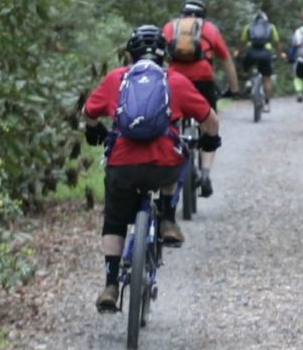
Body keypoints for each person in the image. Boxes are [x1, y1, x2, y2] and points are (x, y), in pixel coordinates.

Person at [81, 24, 219, 311]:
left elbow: (88, 112)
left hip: (122, 165)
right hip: (162, 165)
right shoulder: (175, 81)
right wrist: (210, 139)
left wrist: (93, 131)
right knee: (178, 158)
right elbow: (210, 119)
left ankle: (110, 284)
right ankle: (167, 217)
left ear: (130, 53)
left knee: (116, 220)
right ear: (165, 54)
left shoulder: (115, 79)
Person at [162, 0, 234, 196]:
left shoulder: (170, 27)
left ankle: (170, 157)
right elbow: (226, 59)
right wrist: (233, 88)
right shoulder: (210, 29)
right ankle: (205, 173)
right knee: (208, 124)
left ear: (182, 14)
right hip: (203, 80)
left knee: (169, 121)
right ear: (203, 16)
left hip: (174, 80)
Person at [240, 7, 277, 106]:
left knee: (245, 70)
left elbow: (243, 42)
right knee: (266, 78)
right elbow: (276, 42)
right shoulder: (271, 27)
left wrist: (239, 52)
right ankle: (267, 101)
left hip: (251, 53)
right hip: (266, 53)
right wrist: (280, 52)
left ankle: (247, 82)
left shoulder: (248, 27)